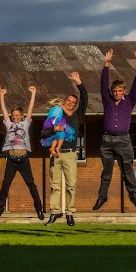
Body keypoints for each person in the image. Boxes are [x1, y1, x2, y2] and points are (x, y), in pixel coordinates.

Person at [95, 49, 136, 211]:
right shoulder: (107, 100)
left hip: (124, 140)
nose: (117, 93)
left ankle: (134, 197)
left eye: (119, 91)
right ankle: (102, 198)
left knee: (127, 170)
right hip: (107, 140)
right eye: (114, 91)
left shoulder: (129, 101)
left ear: (124, 91)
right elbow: (103, 85)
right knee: (106, 172)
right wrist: (106, 65)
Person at [0, 85, 45, 222]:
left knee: (31, 184)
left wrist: (33, 93)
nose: (15, 117)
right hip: (11, 159)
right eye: (13, 115)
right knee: (6, 184)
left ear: (22, 117)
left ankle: (39, 209)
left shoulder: (25, 124)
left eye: (17, 115)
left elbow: (31, 109)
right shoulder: (9, 124)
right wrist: (2, 97)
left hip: (23, 160)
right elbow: (3, 110)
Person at [44, 71, 88, 227]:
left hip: (70, 154)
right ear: (64, 102)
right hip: (56, 154)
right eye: (67, 101)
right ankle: (55, 212)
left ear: (75, 105)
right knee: (55, 185)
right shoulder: (56, 114)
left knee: (71, 185)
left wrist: (79, 82)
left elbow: (85, 98)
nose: (70, 103)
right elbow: (46, 130)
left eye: (72, 102)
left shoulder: (77, 115)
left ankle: (70, 213)